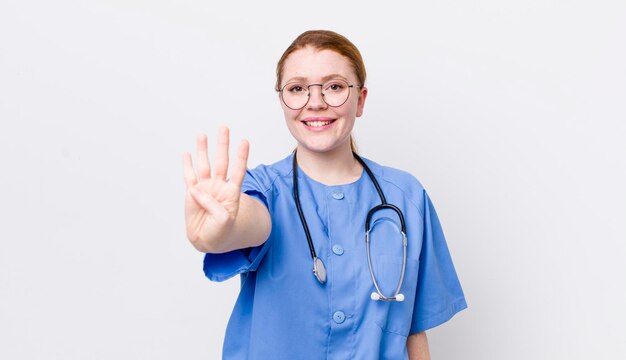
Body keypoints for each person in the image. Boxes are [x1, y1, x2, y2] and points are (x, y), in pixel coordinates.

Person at [182, 30, 467, 360]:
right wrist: (219, 231)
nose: (315, 102)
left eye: (334, 86)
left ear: (360, 100)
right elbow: (248, 223)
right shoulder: (261, 190)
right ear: (282, 101)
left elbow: (414, 328)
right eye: (298, 88)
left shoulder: (406, 198)